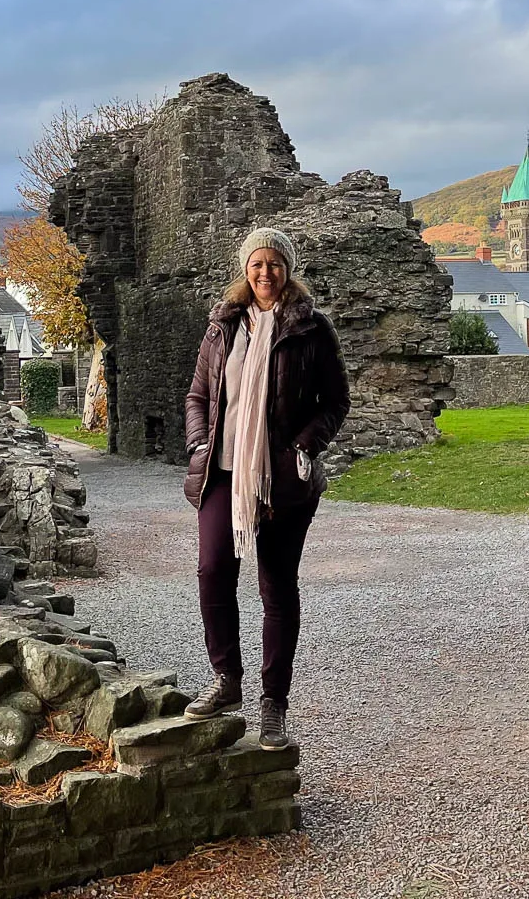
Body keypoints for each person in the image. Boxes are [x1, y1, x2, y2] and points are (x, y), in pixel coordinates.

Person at [181, 227, 350, 750]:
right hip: (223, 472)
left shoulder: (311, 328)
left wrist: (304, 446)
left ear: (288, 269)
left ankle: (273, 703)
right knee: (213, 571)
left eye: (275, 263)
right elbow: (198, 396)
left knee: (276, 588)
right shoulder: (223, 326)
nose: (265, 273)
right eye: (257, 263)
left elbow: (335, 401)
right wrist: (198, 444)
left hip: (284, 477)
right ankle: (226, 679)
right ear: (245, 269)